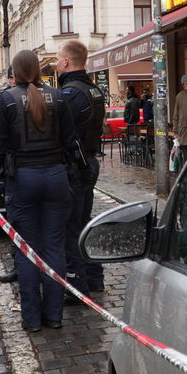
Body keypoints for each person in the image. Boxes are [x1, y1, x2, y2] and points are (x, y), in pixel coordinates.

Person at [0, 49, 78, 332]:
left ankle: (31, 319)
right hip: (55, 177)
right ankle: (54, 316)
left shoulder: (6, 101)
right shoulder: (59, 97)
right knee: (54, 247)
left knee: (27, 249)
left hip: (23, 179)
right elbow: (70, 141)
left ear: (15, 72)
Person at [56, 39, 106, 303]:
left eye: (57, 58)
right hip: (88, 161)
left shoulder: (71, 93)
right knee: (85, 222)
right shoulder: (94, 89)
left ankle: (77, 285)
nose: (54, 63)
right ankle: (95, 276)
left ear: (66, 61)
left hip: (76, 166)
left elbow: (63, 133)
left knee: (72, 227)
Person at [0, 65, 19, 285]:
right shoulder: (54, 96)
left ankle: (22, 270)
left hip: (19, 175)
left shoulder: (8, 100)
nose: (10, 81)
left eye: (11, 77)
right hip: (50, 174)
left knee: (20, 228)